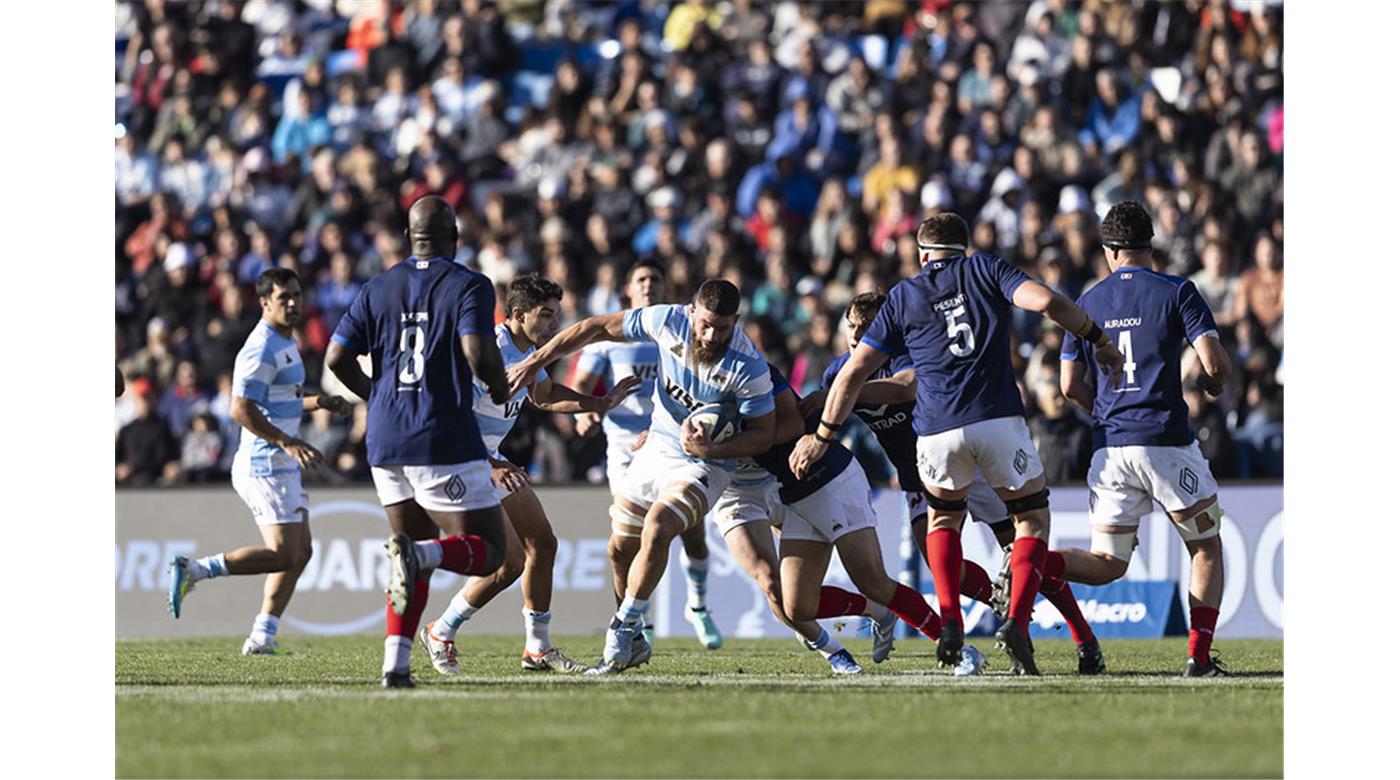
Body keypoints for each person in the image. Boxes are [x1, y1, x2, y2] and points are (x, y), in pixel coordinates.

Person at [792, 213, 1123, 676]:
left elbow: (905, 386)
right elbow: (1045, 300)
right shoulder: (842, 369)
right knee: (1020, 534)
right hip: (951, 454)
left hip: (941, 446)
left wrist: (832, 412)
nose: (856, 342)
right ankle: (1001, 606)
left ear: (922, 254)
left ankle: (1080, 635)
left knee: (1010, 546)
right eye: (852, 335)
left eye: (863, 336)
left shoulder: (898, 324)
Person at [506, 279, 777, 674]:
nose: (711, 334)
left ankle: (624, 627)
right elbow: (596, 327)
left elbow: (763, 434)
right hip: (657, 447)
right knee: (619, 549)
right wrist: (537, 360)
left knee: (659, 525)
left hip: (706, 463)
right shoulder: (667, 321)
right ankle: (633, 640)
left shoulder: (747, 365)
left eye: (723, 327)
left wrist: (712, 449)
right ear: (691, 312)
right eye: (705, 324)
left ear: (736, 321)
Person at [324, 196, 514, 688]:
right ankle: (424, 556)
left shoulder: (378, 286)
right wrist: (497, 384)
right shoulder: (469, 284)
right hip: (440, 432)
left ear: (411, 237)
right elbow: (477, 349)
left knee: (409, 552)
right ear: (455, 237)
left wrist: (376, 395)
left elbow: (335, 357)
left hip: (385, 437)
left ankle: (395, 666)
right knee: (492, 552)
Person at [418, 274, 640, 675]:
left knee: (544, 544)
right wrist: (490, 466)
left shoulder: (530, 352)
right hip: (462, 461)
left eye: (557, 313)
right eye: (547, 314)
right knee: (510, 562)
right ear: (518, 314)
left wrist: (599, 402)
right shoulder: (484, 353)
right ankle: (440, 630)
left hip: (489, 458)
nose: (555, 323)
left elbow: (546, 395)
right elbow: (451, 420)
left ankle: (537, 649)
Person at [1055, 201, 1232, 677]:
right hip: (1167, 442)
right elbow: (1213, 365)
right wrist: (1212, 386)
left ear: (1110, 251)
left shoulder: (1086, 302)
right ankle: (1197, 657)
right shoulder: (1177, 290)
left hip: (1111, 447)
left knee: (1108, 564)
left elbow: (1069, 385)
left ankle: (1038, 563)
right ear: (1148, 246)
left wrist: (1109, 414)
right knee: (1206, 547)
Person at [166, 268, 354, 657]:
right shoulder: (260, 347)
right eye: (283, 297)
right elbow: (240, 408)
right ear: (264, 302)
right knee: (285, 554)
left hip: (279, 461)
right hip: (263, 464)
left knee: (301, 553)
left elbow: (276, 402)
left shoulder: (286, 341)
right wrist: (286, 441)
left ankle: (262, 636)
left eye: (297, 295)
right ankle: (196, 570)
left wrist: (319, 402)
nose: (292, 302)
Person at [754, 361, 984, 675]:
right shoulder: (705, 385)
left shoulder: (750, 370)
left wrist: (719, 447)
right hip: (795, 495)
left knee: (873, 580)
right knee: (797, 607)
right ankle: (875, 610)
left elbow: (792, 424)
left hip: (831, 479)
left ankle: (959, 650)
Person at [570, 260, 724, 649]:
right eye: (641, 279)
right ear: (628, 289)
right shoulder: (611, 339)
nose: (649, 285)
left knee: (692, 530)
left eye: (655, 278)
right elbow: (583, 384)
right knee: (632, 536)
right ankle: (641, 623)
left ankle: (699, 605)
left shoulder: (674, 329)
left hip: (672, 439)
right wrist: (587, 410)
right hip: (624, 444)